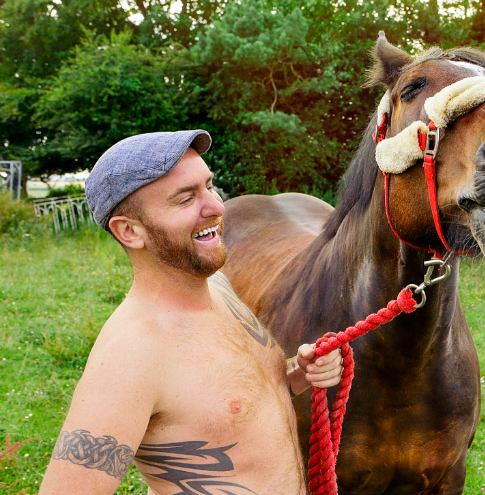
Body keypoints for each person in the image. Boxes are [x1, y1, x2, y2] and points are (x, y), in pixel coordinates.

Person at [39, 130, 343, 495]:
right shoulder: (130, 357)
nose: (217, 207)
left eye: (209, 187)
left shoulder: (220, 289)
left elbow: (237, 403)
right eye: (185, 199)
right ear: (130, 231)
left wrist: (300, 373)